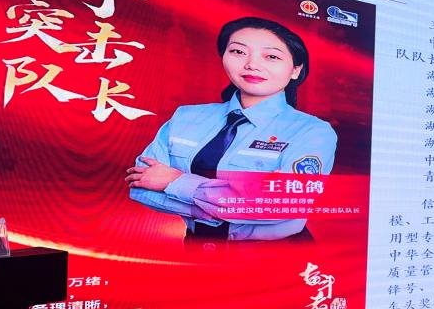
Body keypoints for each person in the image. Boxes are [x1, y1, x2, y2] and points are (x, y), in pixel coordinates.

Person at [125, 17, 336, 242]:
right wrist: (224, 209)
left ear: (296, 70)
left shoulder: (313, 131)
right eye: (238, 52)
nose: (252, 64)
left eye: (271, 56)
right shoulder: (185, 116)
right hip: (196, 246)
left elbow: (281, 204)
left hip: (276, 253)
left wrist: (175, 182)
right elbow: (141, 187)